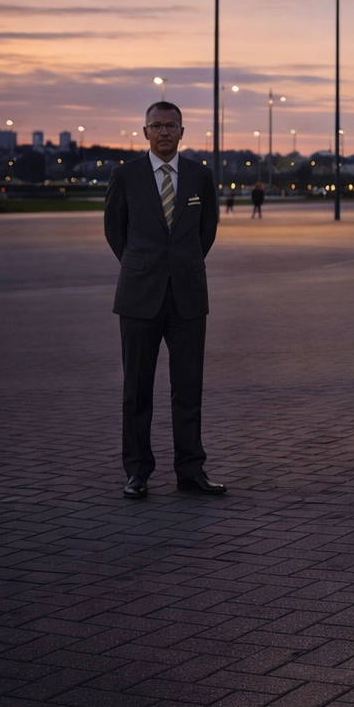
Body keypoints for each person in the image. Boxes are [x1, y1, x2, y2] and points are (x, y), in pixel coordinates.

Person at [103, 101, 225, 499]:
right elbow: (114, 231)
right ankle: (137, 471)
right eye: (156, 126)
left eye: (171, 126)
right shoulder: (125, 176)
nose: (164, 132)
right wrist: (143, 266)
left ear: (182, 132)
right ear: (144, 132)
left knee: (188, 388)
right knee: (136, 390)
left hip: (188, 298)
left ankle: (190, 470)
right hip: (139, 297)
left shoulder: (200, 177)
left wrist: (181, 265)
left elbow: (206, 232)